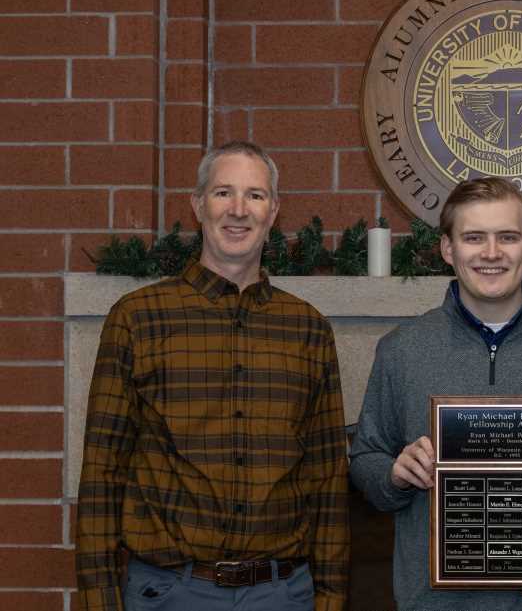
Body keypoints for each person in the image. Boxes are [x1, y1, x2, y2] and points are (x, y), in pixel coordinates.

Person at [75, 141, 349, 611]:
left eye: (255, 196)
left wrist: (330, 597)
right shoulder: (139, 318)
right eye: (223, 193)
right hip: (170, 592)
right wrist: (100, 599)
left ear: (274, 210)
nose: (238, 210)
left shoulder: (308, 327)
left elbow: (326, 476)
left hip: (281, 594)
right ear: (198, 204)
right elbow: (103, 470)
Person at [349, 177, 522, 611]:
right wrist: (394, 474)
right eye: (473, 238)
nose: (491, 253)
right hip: (433, 603)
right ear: (448, 249)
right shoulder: (401, 349)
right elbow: (366, 458)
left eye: (508, 237)